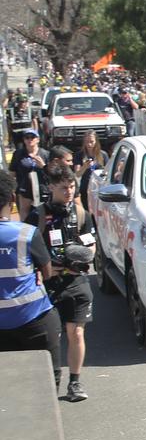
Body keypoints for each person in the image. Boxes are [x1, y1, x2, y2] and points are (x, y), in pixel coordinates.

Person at [24, 166, 94, 402]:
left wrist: (85, 256)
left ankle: (75, 382)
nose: (69, 191)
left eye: (72, 187)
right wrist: (47, 268)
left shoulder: (81, 212)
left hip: (76, 282)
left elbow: (91, 245)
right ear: (51, 187)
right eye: (64, 187)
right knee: (51, 336)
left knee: (76, 333)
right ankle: (47, 384)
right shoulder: (37, 215)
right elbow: (27, 249)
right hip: (48, 284)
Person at [0, 170, 62, 386]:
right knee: (46, 382)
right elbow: (46, 272)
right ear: (11, 199)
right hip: (34, 319)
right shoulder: (26, 233)